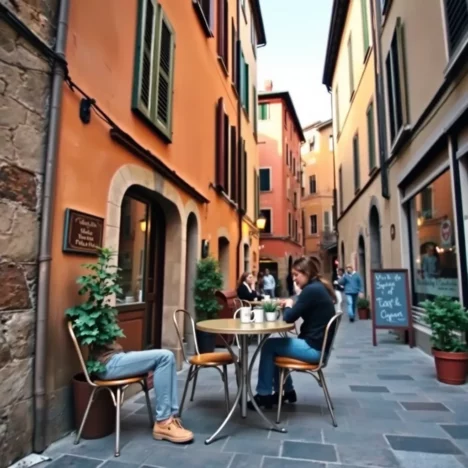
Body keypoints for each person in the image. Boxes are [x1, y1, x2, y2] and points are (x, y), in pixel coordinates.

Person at [248, 256, 336, 410]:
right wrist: (292, 300)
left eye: (296, 275)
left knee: (269, 346)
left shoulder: (311, 290)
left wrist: (288, 304)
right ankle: (287, 391)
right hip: (319, 347)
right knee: (276, 347)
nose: (294, 279)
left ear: (307, 273)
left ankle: (264, 395)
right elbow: (300, 299)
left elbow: (289, 317)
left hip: (314, 349)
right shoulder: (317, 287)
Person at [93, 345, 193, 443]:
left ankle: (171, 417)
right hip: (107, 364)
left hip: (118, 357)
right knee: (165, 357)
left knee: (169, 356)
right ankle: (163, 421)